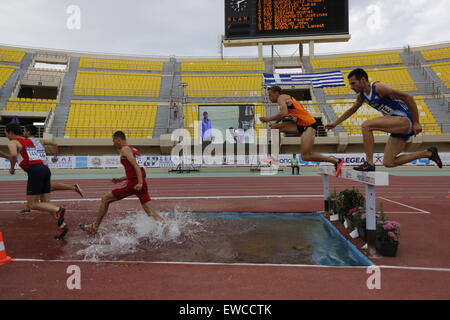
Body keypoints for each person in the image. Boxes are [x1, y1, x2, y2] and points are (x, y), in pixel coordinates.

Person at [325, 68, 442, 171]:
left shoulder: (379, 88)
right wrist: (335, 123)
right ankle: (428, 153)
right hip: (397, 125)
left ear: (362, 80)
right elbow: (352, 110)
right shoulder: (361, 96)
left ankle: (369, 163)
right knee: (389, 162)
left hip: (405, 119)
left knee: (366, 126)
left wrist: (416, 122)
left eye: (353, 83)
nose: (351, 87)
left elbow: (408, 97)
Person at [80, 131, 168, 235]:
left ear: (119, 140)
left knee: (105, 199)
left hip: (134, 184)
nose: (113, 144)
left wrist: (138, 183)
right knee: (151, 213)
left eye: (114, 141)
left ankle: (94, 227)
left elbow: (136, 166)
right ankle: (167, 230)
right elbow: (135, 170)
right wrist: (121, 179)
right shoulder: (133, 149)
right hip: (142, 183)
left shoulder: (125, 149)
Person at [0, 123, 68, 239]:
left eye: (5, 133)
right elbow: (19, 156)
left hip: (35, 171)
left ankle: (59, 209)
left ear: (10, 132)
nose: (5, 135)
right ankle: (62, 226)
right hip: (45, 169)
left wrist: (11, 169)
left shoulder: (12, 142)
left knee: (32, 204)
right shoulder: (29, 142)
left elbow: (13, 154)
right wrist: (4, 156)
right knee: (46, 203)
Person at [260, 86, 344, 176]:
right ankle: (274, 157)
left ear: (277, 93)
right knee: (275, 128)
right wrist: (275, 123)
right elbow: (284, 115)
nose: (269, 97)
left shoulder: (281, 98)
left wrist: (268, 119)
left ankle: (336, 161)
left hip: (309, 125)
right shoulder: (283, 100)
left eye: (270, 95)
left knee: (305, 156)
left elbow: (283, 113)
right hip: (300, 125)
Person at [16, 124, 84, 215]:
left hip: (37, 167)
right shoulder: (40, 141)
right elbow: (55, 144)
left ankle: (57, 208)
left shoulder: (26, 141)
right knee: (43, 189)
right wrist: (56, 156)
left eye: (24, 130)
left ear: (28, 132)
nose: (23, 132)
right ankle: (30, 207)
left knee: (44, 189)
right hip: (43, 166)